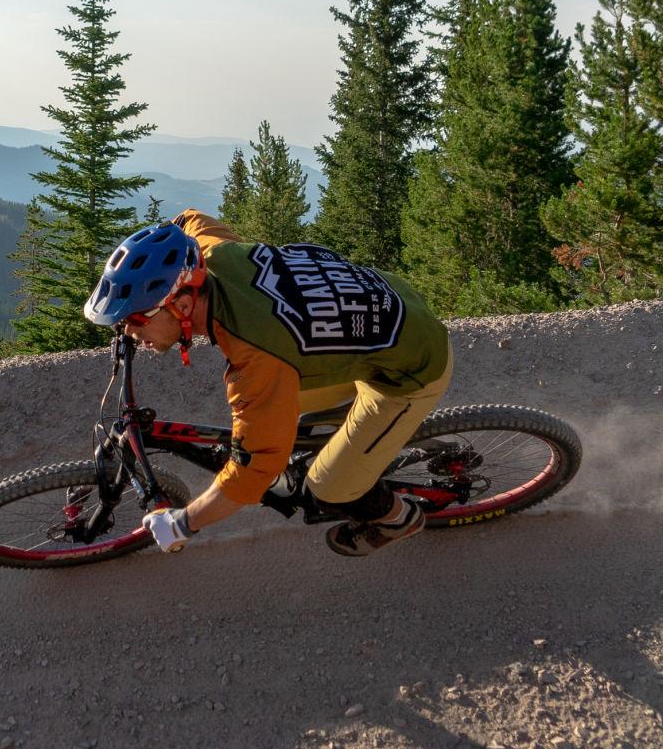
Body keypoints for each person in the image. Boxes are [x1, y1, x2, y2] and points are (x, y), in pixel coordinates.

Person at [82, 210, 453, 557]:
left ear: (180, 303)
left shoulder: (256, 361)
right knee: (277, 415)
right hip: (389, 297)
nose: (129, 331)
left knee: (329, 487)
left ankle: (398, 519)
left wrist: (182, 523)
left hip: (410, 369)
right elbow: (187, 219)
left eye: (135, 319)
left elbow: (250, 475)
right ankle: (352, 440)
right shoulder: (211, 255)